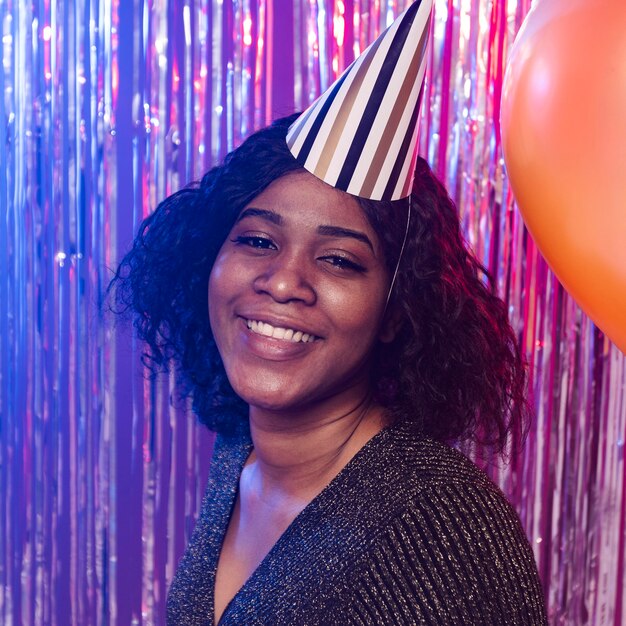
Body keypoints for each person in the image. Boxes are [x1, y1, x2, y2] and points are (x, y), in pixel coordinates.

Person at [109, 3, 547, 624]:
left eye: (340, 261)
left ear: (397, 311)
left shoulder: (439, 527)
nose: (284, 281)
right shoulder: (241, 453)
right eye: (258, 241)